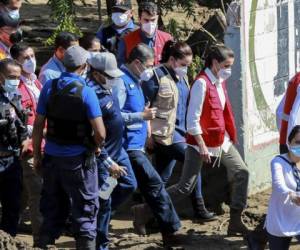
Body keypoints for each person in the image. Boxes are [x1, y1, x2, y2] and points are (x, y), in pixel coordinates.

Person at [33, 45, 106, 249]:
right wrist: (93, 145)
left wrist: (38, 156)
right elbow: (100, 133)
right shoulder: (87, 92)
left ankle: (44, 244)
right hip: (78, 161)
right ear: (83, 66)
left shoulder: (49, 87)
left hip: (52, 159)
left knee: (51, 208)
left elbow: (39, 124)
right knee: (85, 210)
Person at [114, 43, 182, 247]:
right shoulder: (121, 82)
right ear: (136, 63)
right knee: (153, 184)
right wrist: (140, 116)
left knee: (145, 186)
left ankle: (167, 231)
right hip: (127, 147)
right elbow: (114, 115)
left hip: (137, 145)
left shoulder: (135, 80)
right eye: (149, 65)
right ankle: (171, 231)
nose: (151, 70)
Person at [141, 40, 215, 221]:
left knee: (162, 178)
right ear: (172, 60)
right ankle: (199, 208)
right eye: (183, 65)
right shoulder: (156, 77)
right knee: (193, 160)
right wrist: (148, 135)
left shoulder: (181, 77)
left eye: (188, 65)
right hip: (164, 134)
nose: (186, 69)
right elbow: (144, 107)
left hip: (181, 132)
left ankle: (149, 213)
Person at [86, 52, 137, 250]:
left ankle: (99, 219)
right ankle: (101, 243)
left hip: (118, 150)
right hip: (103, 157)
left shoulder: (106, 88)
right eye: (110, 76)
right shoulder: (91, 95)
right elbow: (93, 136)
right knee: (104, 201)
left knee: (129, 184)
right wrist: (107, 161)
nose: (114, 80)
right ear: (97, 74)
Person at [10, 42, 43, 246]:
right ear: (17, 62)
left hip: (42, 144)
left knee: (25, 189)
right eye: (26, 58)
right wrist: (41, 130)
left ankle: (13, 220)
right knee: (38, 191)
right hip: (28, 147)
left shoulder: (35, 81)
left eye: (32, 56)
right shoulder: (16, 86)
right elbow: (22, 122)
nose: (31, 61)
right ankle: (41, 239)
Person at [0, 58, 29, 236]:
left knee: (12, 204)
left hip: (12, 159)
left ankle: (8, 240)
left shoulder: (15, 95)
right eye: (11, 77)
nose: (15, 81)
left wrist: (25, 139)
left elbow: (20, 123)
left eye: (18, 77)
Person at [265, 125, 300, 250]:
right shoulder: (278, 161)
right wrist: (291, 195)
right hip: (280, 219)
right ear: (289, 142)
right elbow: (278, 184)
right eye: (297, 142)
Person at [117, 1, 172, 66]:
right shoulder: (126, 41)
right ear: (139, 19)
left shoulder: (167, 39)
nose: (150, 24)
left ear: (157, 18)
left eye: (153, 20)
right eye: (146, 20)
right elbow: (121, 67)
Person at [279, 71, 300, 154]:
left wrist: (284, 135)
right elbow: (294, 116)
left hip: (285, 142)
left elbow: (279, 111)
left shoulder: (295, 79)